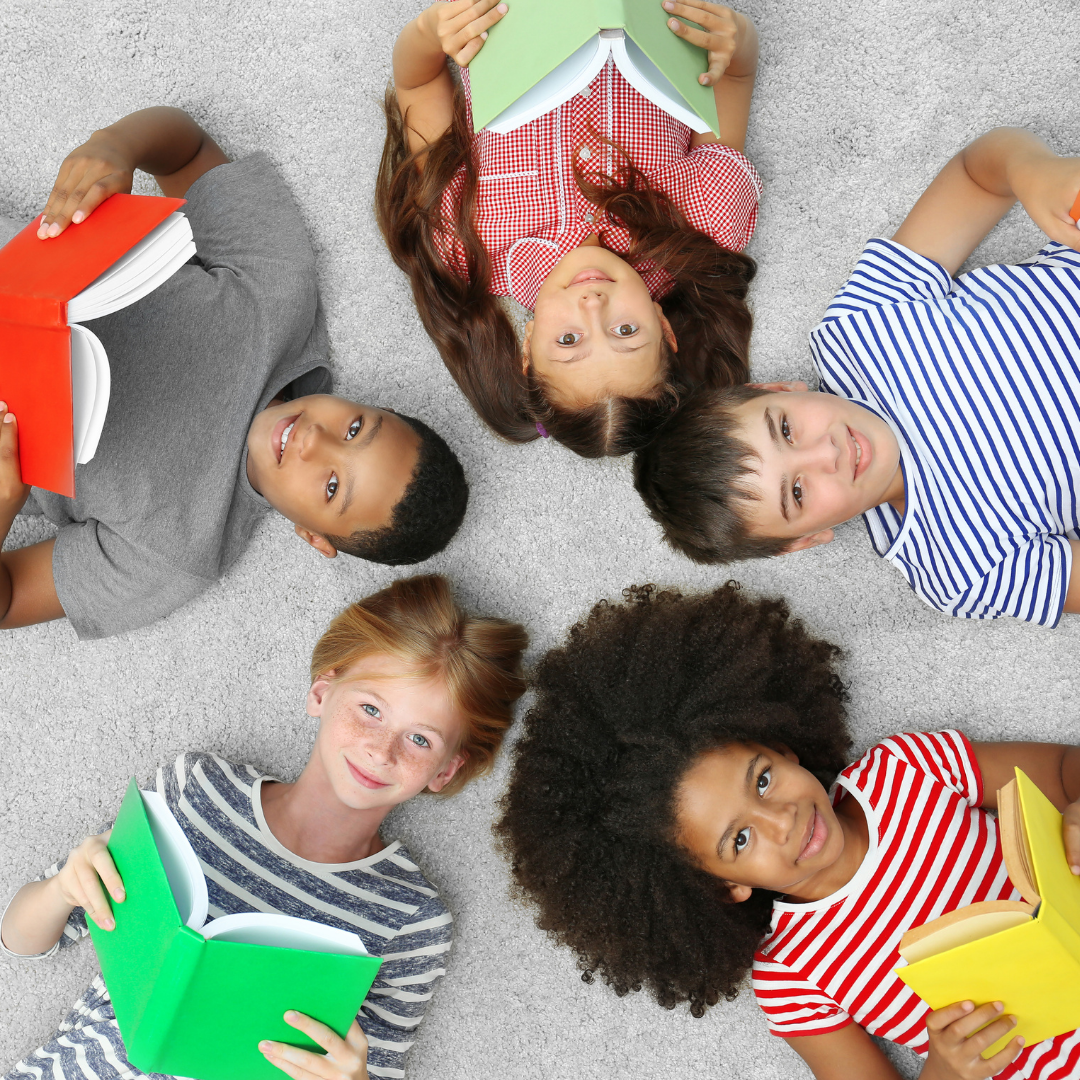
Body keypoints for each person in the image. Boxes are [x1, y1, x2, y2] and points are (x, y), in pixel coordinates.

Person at [495, 582, 1080, 1080]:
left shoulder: (903, 770)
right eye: (740, 841)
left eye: (764, 779)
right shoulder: (793, 975)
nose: (784, 821)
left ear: (780, 745)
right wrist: (948, 1071)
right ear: (724, 888)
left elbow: (1061, 770)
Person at [1, 574, 528, 1080]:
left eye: (420, 741)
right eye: (370, 709)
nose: (380, 749)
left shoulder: (412, 920)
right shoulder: (198, 788)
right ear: (322, 692)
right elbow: (19, 940)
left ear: (446, 771)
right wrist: (63, 886)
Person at [0, 106, 469, 640]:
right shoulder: (277, 297)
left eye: (333, 486)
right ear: (370, 403)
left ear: (313, 535)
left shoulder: (177, 555)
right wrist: (116, 146)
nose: (316, 440)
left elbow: (10, 597)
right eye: (356, 428)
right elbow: (188, 149)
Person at [634, 127, 1080, 626]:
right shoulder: (959, 570)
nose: (827, 452)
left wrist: (1034, 174)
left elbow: (977, 176)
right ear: (804, 541)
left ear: (776, 388)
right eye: (796, 493)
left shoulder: (858, 328)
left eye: (785, 429)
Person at [377, 0, 760, 456]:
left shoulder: (465, 245)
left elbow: (417, 85)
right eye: (625, 332)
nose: (593, 306)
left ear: (527, 349)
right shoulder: (703, 229)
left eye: (568, 340)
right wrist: (733, 37)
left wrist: (430, 29)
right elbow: (733, 75)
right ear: (664, 327)